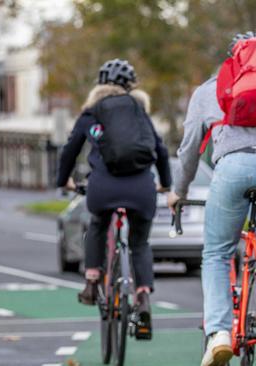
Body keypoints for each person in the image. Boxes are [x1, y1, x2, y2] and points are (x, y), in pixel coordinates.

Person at [167, 32, 256, 366]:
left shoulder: (207, 91)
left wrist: (178, 192)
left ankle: (219, 333)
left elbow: (189, 153)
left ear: (233, 61)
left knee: (217, 251)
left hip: (236, 166)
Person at [56, 59, 172, 339]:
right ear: (130, 86)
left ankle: (92, 282)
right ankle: (143, 297)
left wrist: (63, 181)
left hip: (103, 188)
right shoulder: (139, 110)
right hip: (142, 188)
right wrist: (166, 185)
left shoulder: (91, 113)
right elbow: (161, 150)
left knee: (97, 224)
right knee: (140, 243)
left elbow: (70, 150)